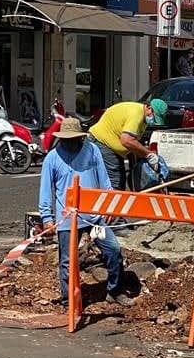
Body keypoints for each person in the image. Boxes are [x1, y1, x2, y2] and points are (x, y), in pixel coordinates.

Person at [39, 117, 135, 307]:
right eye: (67, 139)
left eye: (74, 138)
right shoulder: (52, 158)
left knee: (113, 250)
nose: (71, 142)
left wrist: (110, 205)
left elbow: (105, 181)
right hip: (67, 218)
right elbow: (45, 190)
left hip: (94, 217)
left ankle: (114, 291)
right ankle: (69, 301)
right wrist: (47, 218)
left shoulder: (92, 151)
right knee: (67, 261)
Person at [88, 99, 168, 190]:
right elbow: (127, 140)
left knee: (121, 179)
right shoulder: (137, 115)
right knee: (115, 181)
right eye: (154, 117)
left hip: (108, 145)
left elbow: (132, 144)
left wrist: (133, 166)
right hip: (102, 143)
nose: (153, 120)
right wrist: (148, 154)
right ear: (149, 108)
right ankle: (114, 201)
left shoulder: (143, 119)